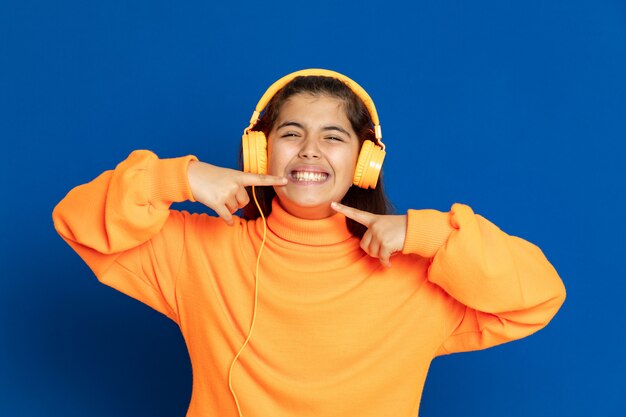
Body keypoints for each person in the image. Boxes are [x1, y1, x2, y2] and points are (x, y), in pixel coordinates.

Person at [52, 69, 566, 417]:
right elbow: (77, 221)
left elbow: (539, 295)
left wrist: (426, 234)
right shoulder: (199, 253)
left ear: (366, 162)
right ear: (261, 151)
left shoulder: (417, 273)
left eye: (334, 137)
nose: (310, 151)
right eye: (292, 133)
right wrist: (181, 178)